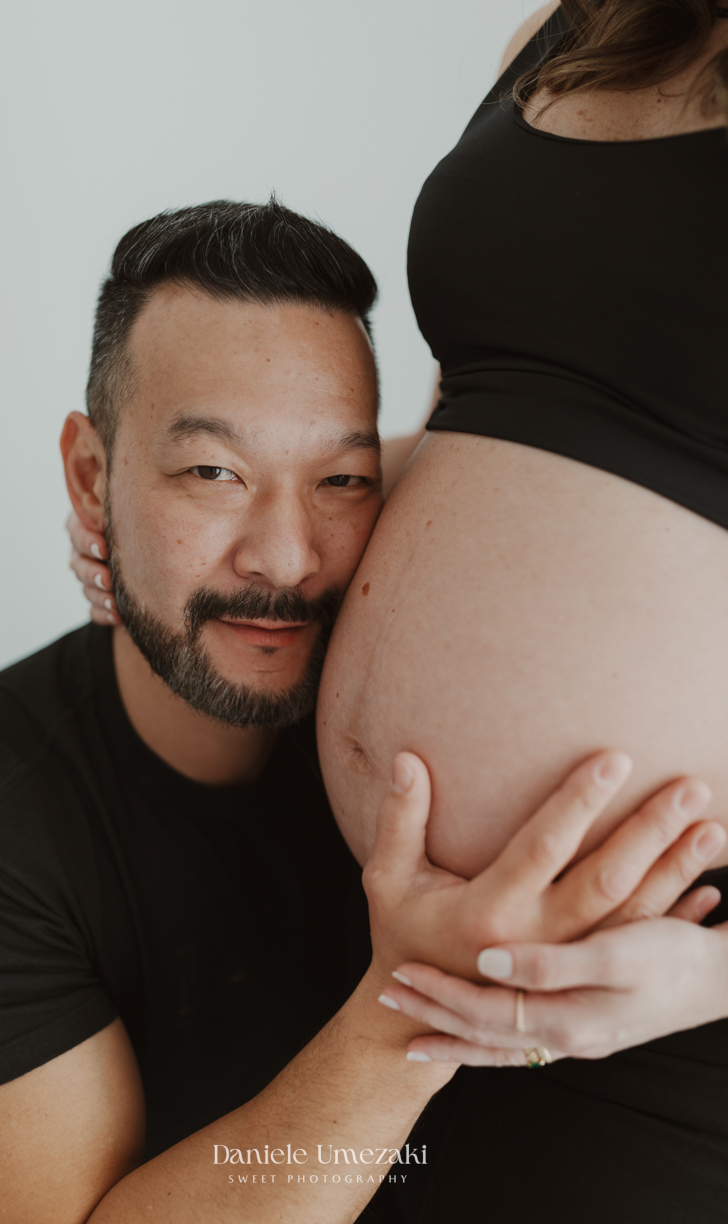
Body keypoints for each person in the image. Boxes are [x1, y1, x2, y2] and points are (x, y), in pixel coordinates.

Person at [0, 200, 721, 1224]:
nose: (286, 559)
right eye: (213, 473)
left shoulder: (408, 667)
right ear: (90, 476)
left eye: (342, 478)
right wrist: (415, 998)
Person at [309, 1, 728, 1220]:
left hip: (640, 1008)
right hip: (348, 918)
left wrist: (706, 978)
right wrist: (235, 527)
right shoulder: (576, 27)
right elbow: (478, 424)